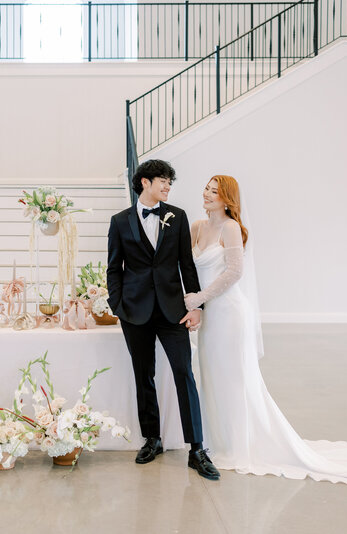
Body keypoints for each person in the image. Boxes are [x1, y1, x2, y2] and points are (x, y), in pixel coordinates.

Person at [184, 174, 347, 504]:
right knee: (211, 376)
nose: (206, 194)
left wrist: (200, 298)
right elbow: (188, 268)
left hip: (229, 314)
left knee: (234, 378)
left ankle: (238, 444)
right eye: (206, 189)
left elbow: (234, 273)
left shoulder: (230, 228)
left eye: (214, 191)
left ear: (227, 199)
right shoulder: (196, 227)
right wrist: (195, 303)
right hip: (209, 315)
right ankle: (214, 440)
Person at [106, 159, 220, 480]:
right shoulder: (119, 221)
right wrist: (118, 305)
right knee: (144, 376)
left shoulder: (178, 217)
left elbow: (187, 265)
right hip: (135, 312)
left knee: (184, 373)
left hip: (173, 311)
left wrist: (196, 305)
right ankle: (152, 439)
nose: (168, 186)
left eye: (170, 182)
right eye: (163, 181)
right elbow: (114, 269)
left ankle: (197, 448)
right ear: (145, 182)